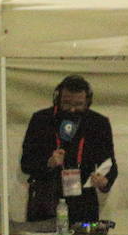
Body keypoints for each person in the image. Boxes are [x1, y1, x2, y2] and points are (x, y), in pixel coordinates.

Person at [20, 75, 118, 226]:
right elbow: (26, 163)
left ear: (87, 102)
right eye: (66, 103)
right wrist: (49, 163)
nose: (72, 109)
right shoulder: (41, 120)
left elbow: (110, 164)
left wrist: (104, 182)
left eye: (78, 104)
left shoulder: (98, 123)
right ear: (57, 99)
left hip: (83, 202)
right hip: (46, 200)